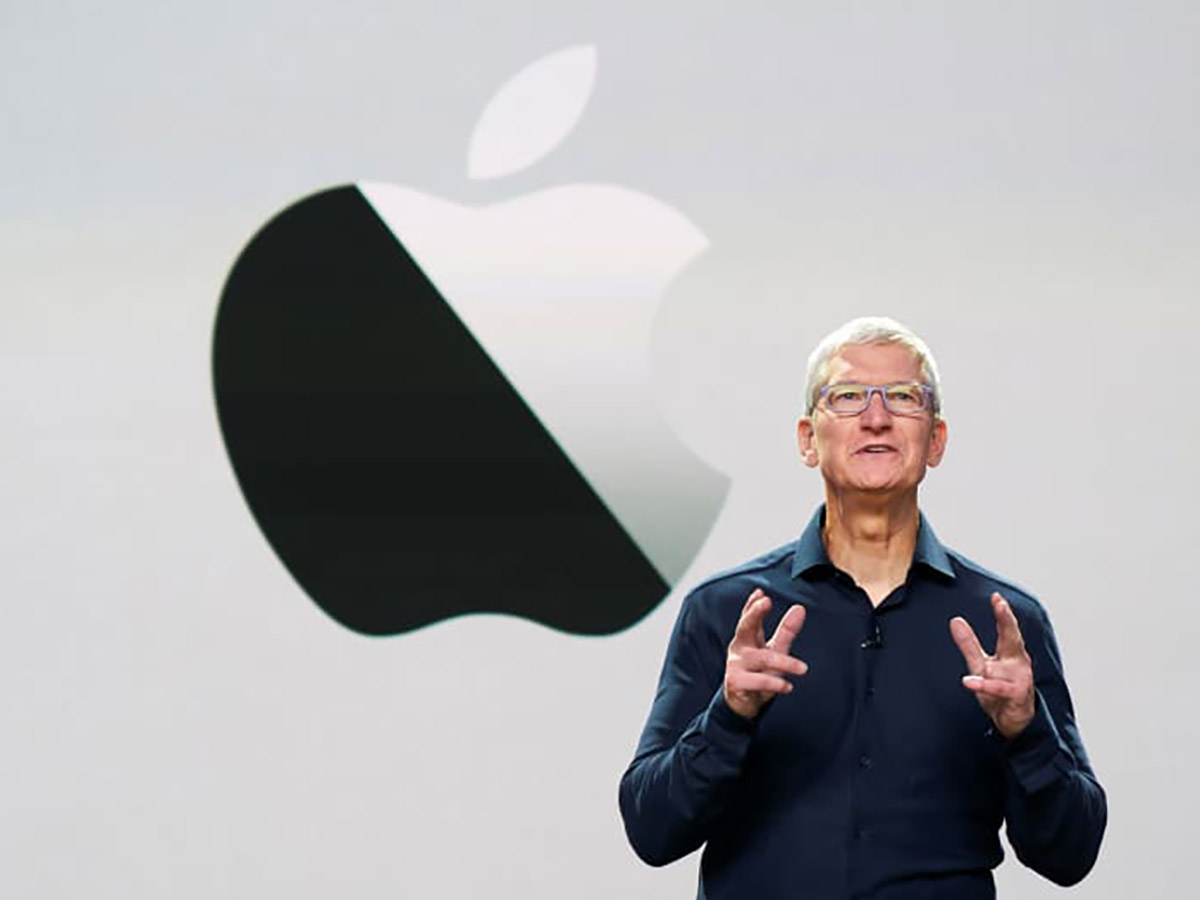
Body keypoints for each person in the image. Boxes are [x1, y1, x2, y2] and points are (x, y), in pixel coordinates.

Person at [618, 317, 1106, 899]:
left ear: (936, 440)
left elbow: (1071, 854)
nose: (876, 417)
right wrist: (729, 715)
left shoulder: (1004, 624)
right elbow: (652, 830)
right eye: (847, 397)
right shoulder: (728, 612)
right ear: (808, 438)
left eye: (903, 397)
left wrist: (1026, 732)